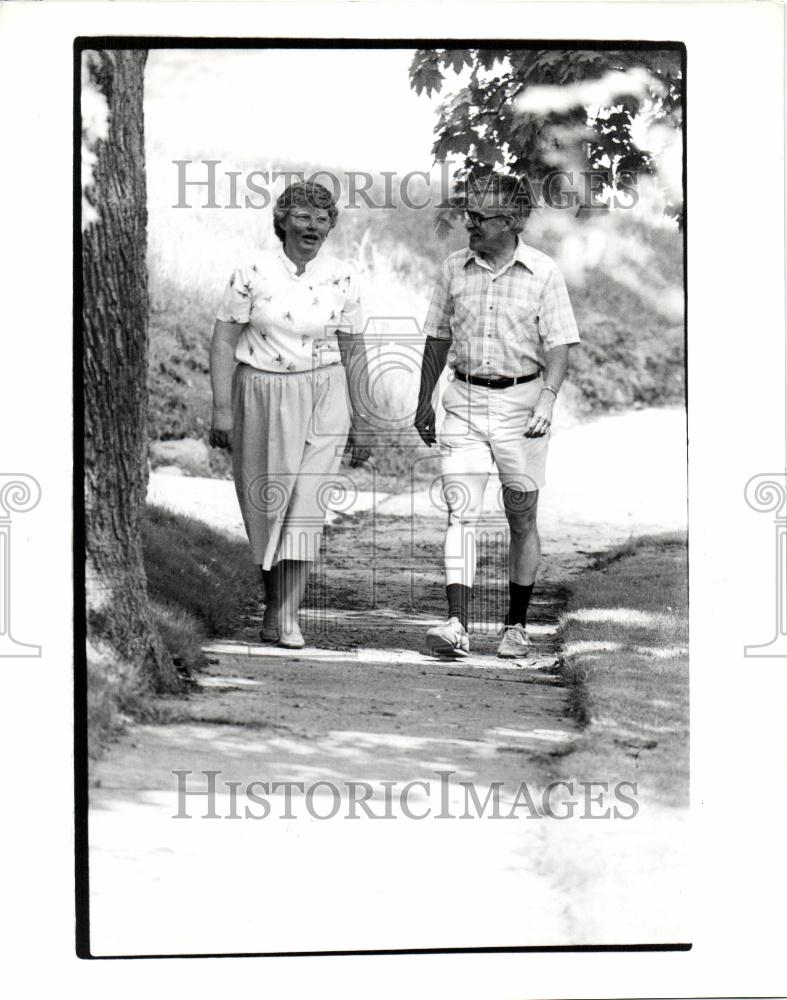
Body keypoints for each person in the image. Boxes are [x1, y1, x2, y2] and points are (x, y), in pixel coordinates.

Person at [415, 174, 580, 658]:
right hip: (464, 401)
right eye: (468, 215)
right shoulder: (453, 269)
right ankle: (456, 624)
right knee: (460, 512)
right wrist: (423, 398)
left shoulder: (544, 273)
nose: (469, 224)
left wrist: (547, 399)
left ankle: (516, 626)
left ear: (511, 222)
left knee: (521, 516)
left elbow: (559, 344)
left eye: (479, 218)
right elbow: (437, 337)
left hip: (521, 406)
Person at [209, 179, 371, 649]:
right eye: (302, 216)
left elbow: (354, 349)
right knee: (267, 503)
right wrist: (222, 407)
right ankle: (273, 609)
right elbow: (223, 339)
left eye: (322, 219)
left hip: (326, 392)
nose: (313, 226)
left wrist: (362, 415)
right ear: (282, 220)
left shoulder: (344, 275)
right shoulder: (251, 270)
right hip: (259, 392)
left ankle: (286, 615)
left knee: (306, 505)